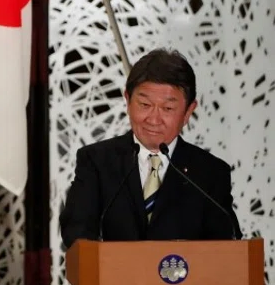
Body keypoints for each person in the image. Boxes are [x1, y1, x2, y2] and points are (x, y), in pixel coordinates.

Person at [60, 48, 241, 247]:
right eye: (145, 105)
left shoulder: (210, 174)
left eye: (168, 108)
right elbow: (77, 233)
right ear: (128, 100)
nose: (154, 119)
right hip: (115, 277)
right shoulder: (96, 161)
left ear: (189, 111)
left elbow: (226, 247)